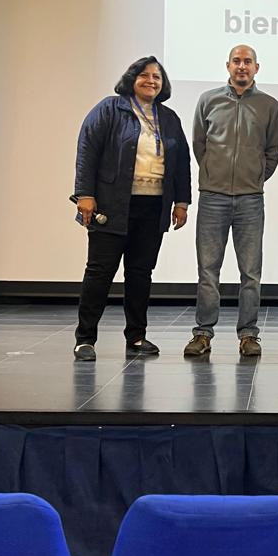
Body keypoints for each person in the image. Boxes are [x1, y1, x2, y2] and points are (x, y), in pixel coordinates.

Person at [70, 56, 190, 362]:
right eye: (144, 75)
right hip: (112, 204)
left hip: (153, 206)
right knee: (100, 272)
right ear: (131, 78)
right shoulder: (110, 109)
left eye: (157, 77)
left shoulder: (169, 117)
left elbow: (181, 163)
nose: (151, 81)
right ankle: (85, 339)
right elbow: (87, 150)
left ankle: (136, 336)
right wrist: (84, 194)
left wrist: (181, 201)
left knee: (140, 274)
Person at [184, 44, 278, 358]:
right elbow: (199, 145)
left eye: (248, 61)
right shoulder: (208, 100)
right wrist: (212, 173)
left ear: (257, 67)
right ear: (228, 65)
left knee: (250, 273)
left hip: (250, 199)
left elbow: (273, 151)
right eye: (237, 61)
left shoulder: (269, 105)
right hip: (212, 198)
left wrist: (255, 177)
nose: (242, 66)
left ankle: (248, 335)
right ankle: (203, 334)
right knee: (208, 271)